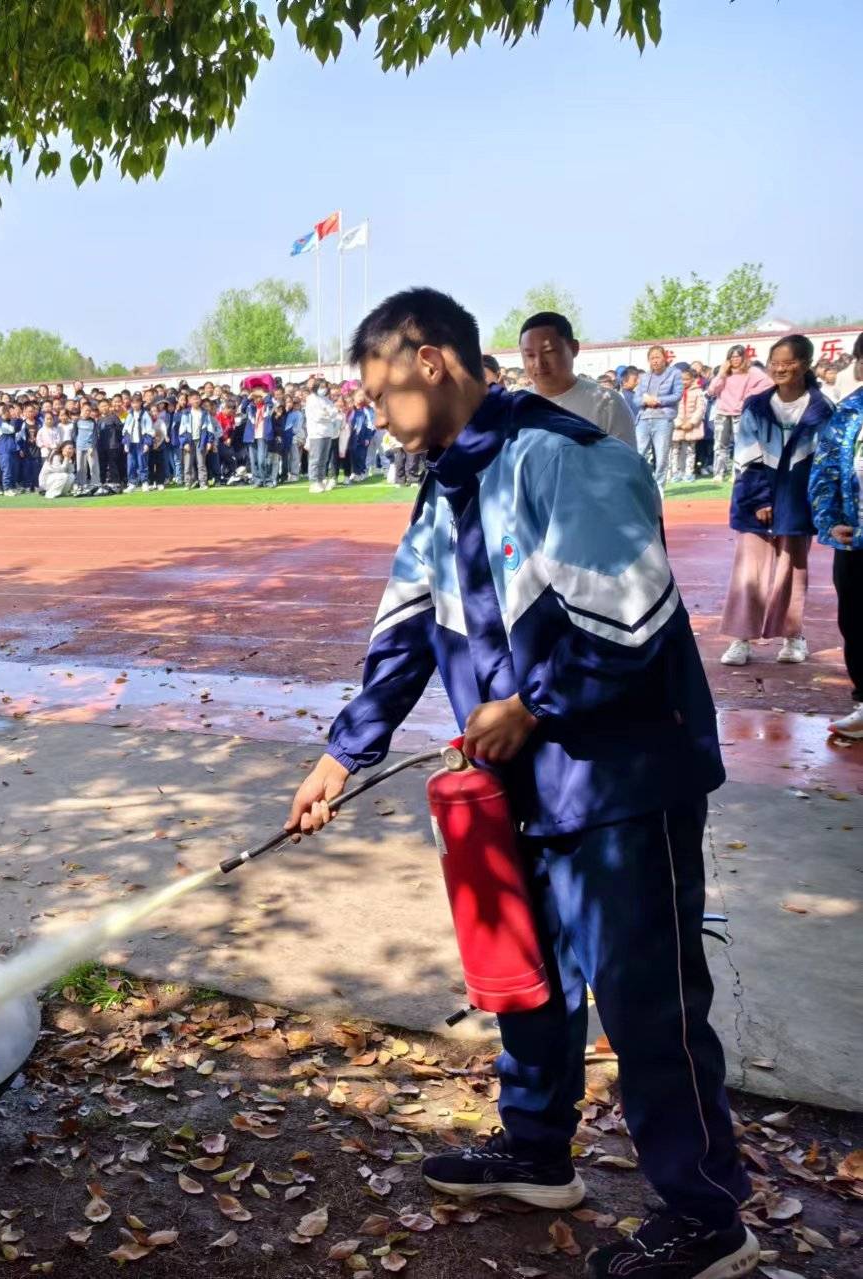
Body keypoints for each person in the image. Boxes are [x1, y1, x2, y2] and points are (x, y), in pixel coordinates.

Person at [287, 288, 753, 1279]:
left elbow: (632, 619)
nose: (371, 415)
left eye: (377, 392)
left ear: (429, 363)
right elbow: (405, 632)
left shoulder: (562, 456)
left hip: (618, 782)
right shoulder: (446, 486)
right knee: (528, 979)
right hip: (522, 786)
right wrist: (340, 756)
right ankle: (537, 1149)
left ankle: (708, 1217)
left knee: (646, 1004)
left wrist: (529, 704)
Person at [717, 335, 832, 667]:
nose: (780, 368)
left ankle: (793, 637)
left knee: (792, 570)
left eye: (788, 362)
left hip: (799, 503)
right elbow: (747, 457)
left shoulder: (822, 409)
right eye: (775, 362)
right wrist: (759, 499)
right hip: (756, 501)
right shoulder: (757, 406)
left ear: (806, 364)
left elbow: (824, 462)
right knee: (748, 572)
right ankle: (742, 639)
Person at [810, 332, 863, 738]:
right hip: (856, 541)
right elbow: (826, 470)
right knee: (857, 621)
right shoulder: (849, 413)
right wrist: (829, 520)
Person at [516, 312, 637, 446]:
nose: (539, 363)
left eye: (548, 351)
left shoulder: (607, 403)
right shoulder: (517, 405)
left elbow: (624, 463)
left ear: (574, 348)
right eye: (530, 355)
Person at [705, 346, 772, 484]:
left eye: (737, 356)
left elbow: (768, 384)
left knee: (740, 444)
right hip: (722, 412)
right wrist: (721, 374)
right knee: (719, 445)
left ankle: (737, 472)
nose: (735, 359)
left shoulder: (752, 371)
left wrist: (748, 396)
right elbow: (711, 390)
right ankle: (718, 473)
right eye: (732, 357)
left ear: (743, 357)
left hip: (740, 413)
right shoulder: (725, 373)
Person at [635, 345, 681, 487]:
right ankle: (641, 484)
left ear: (664, 358)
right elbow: (636, 399)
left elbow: (677, 395)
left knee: (661, 456)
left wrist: (658, 400)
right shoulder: (644, 377)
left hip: (663, 418)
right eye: (652, 358)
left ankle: (660, 486)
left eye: (657, 357)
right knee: (640, 453)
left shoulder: (674, 373)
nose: (654, 361)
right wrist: (645, 400)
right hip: (643, 418)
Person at [669, 365, 707, 484]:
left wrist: (691, 422)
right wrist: (678, 423)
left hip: (691, 427)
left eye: (686, 379)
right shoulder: (673, 392)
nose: (683, 382)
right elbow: (671, 408)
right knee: (675, 450)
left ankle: (689, 472)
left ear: (692, 379)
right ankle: (676, 472)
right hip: (677, 427)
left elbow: (701, 409)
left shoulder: (698, 391)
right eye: (681, 379)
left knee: (690, 450)